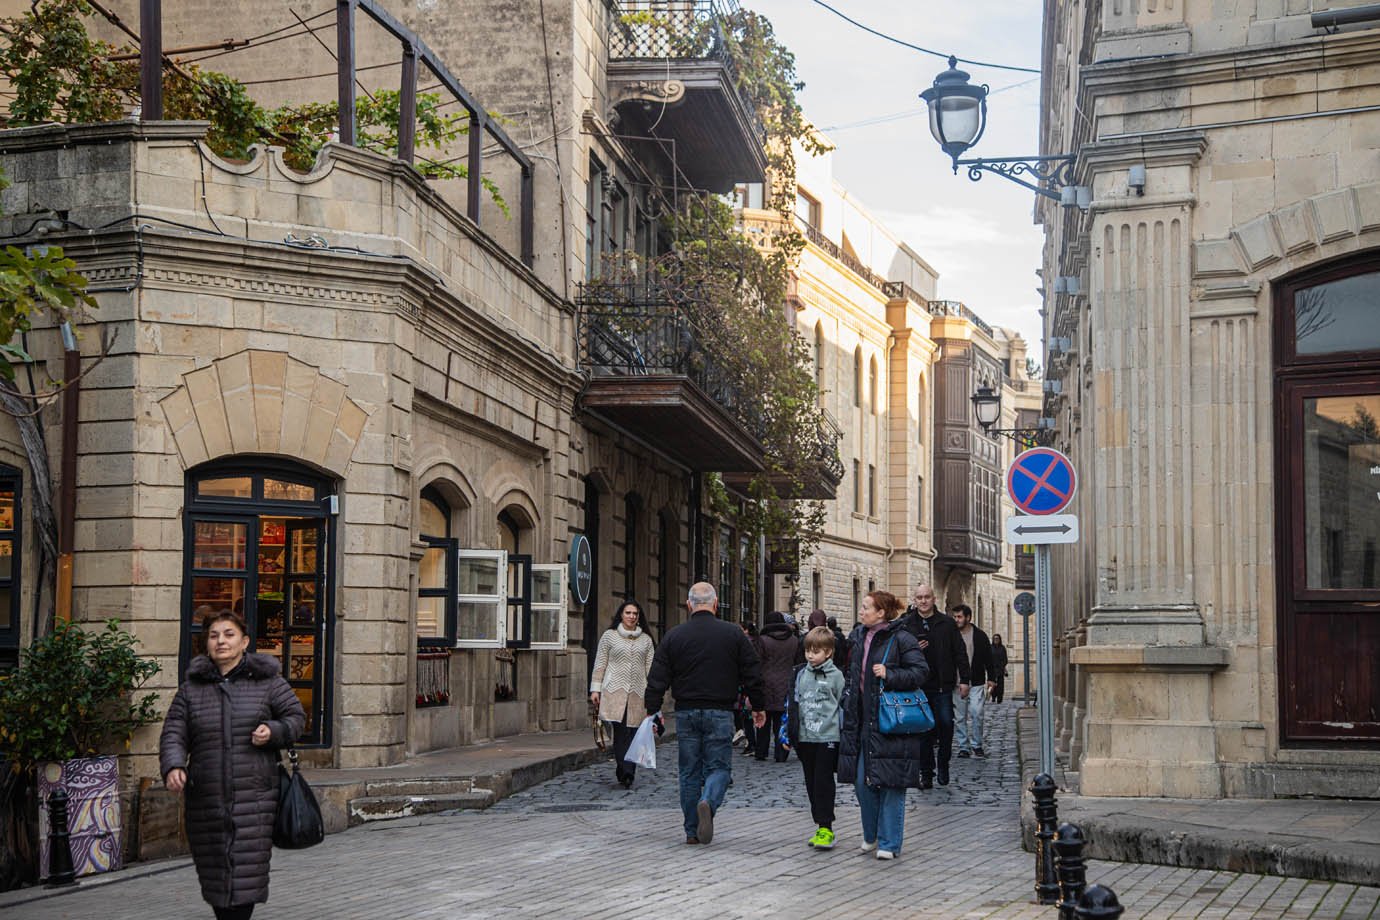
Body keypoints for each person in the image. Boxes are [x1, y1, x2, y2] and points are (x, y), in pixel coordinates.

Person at [159, 610, 306, 920]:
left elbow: (296, 718)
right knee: (214, 875)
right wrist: (174, 766)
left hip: (254, 796)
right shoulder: (191, 689)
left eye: (228, 634)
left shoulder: (268, 682)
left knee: (245, 874)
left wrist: (274, 731)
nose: (221, 641)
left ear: (245, 642)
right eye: (214, 636)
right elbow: (174, 731)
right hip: (206, 798)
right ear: (206, 643)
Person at [645, 582, 766, 845]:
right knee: (719, 767)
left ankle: (691, 830)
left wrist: (652, 710)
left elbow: (657, 676)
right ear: (715, 603)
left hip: (687, 712)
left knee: (688, 771)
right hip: (720, 711)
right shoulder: (733, 635)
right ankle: (708, 802)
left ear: (689, 605)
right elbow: (752, 672)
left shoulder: (675, 636)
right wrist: (758, 706)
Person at [837, 590, 928, 860]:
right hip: (861, 721)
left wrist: (891, 674)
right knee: (861, 782)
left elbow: (921, 672)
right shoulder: (857, 637)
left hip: (891, 722)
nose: (861, 611)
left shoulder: (902, 638)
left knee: (891, 782)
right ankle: (872, 834)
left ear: (882, 613)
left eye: (866, 607)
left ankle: (889, 842)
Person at [899, 584, 969, 788]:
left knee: (946, 724)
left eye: (926, 597)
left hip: (942, 685)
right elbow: (898, 652)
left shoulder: (947, 624)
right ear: (915, 599)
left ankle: (944, 763)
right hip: (918, 687)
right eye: (919, 597)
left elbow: (960, 653)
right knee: (922, 731)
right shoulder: (907, 624)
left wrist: (964, 679)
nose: (923, 601)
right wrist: (913, 650)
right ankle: (926, 772)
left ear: (933, 599)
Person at [786, 626, 845, 849]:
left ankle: (826, 827)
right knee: (811, 782)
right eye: (808, 650)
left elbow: (842, 704)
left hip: (828, 737)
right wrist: (790, 731)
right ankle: (819, 823)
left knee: (823, 781)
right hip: (805, 737)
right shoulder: (801, 674)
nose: (811, 655)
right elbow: (794, 703)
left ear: (828, 652)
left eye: (816, 651)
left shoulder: (836, 676)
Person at [589, 599, 656, 788]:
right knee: (620, 733)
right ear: (621, 614)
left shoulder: (646, 640)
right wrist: (595, 689)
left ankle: (627, 769)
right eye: (628, 613)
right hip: (614, 692)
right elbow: (600, 663)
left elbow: (650, 668)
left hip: (638, 693)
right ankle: (625, 769)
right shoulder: (609, 637)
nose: (632, 616)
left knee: (634, 733)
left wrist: (653, 694)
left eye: (635, 613)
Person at [753, 610, 800, 762]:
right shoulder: (793, 640)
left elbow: (757, 663)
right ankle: (781, 753)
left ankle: (761, 751)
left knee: (763, 719)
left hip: (765, 683)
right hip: (786, 682)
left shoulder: (762, 640)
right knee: (781, 720)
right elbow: (797, 663)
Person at [951, 605, 994, 759]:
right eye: (954, 617)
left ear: (968, 617)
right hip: (956, 682)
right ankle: (963, 746)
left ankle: (977, 745)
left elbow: (989, 658)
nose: (956, 620)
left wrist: (992, 678)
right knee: (960, 716)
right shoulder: (951, 634)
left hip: (975, 681)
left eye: (959, 617)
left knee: (977, 713)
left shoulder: (980, 636)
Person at [990, 633, 1009, 704]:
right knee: (992, 683)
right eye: (994, 639)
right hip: (992, 669)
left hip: (1000, 669)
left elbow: (1005, 659)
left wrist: (1002, 666)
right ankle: (993, 696)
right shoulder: (990, 647)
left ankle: (999, 698)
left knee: (1000, 685)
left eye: (997, 638)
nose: (996, 640)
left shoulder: (1002, 648)